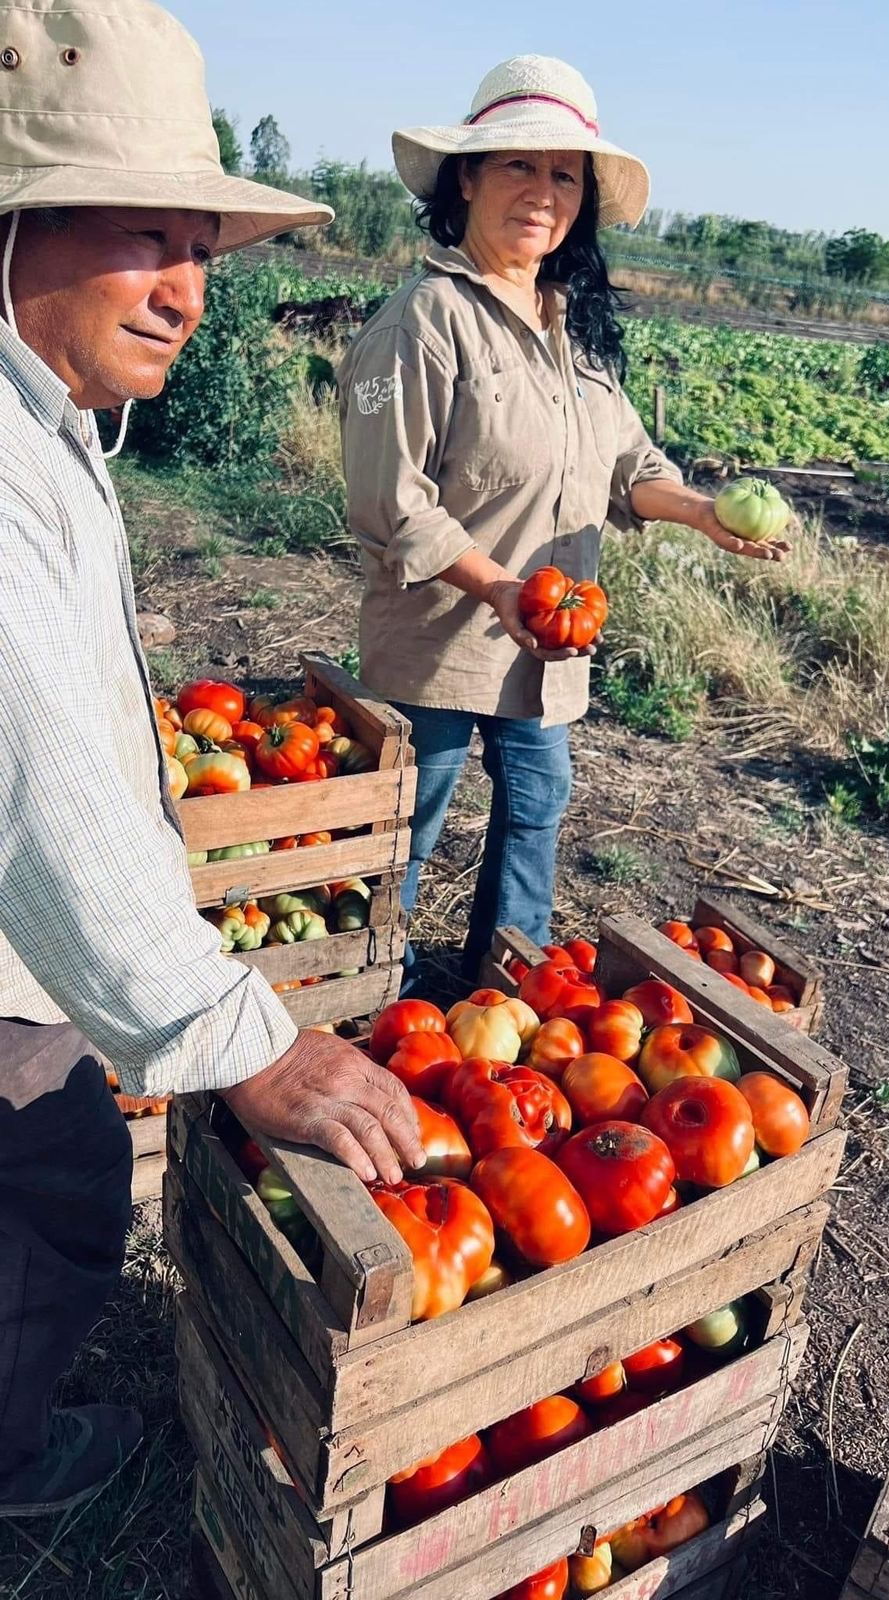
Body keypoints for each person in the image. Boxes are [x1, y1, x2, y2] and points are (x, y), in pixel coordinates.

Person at [0, 0, 423, 1522]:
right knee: (58, 1171)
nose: (187, 291)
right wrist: (249, 1043)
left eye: (201, 249)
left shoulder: (49, 422)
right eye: (144, 236)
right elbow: (35, 792)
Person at [338, 55, 789, 990]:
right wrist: (499, 587)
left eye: (565, 174)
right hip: (437, 642)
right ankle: (366, 995)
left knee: (535, 819)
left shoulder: (570, 327)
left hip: (548, 643)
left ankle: (504, 997)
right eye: (519, 165)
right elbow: (393, 502)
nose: (543, 192)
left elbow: (630, 465)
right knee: (404, 829)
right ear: (467, 178)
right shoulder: (425, 321)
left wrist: (705, 514)